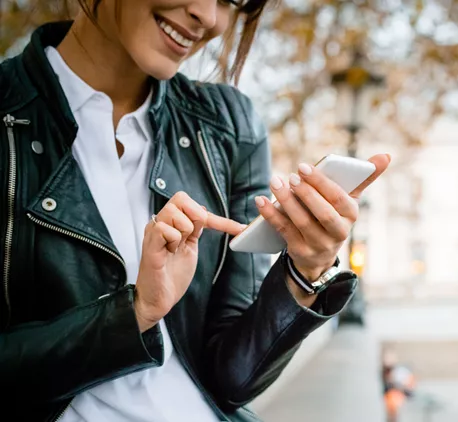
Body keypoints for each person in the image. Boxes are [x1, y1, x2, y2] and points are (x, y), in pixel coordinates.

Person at [0, 1, 390, 421]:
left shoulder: (227, 125)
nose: (207, 14)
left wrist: (304, 273)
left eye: (230, 0)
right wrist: (134, 314)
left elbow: (234, 381)